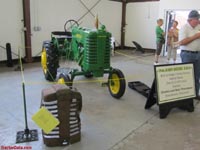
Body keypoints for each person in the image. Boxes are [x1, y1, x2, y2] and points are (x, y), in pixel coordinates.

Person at [179, 10, 200, 99]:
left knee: (196, 76)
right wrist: (196, 36)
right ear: (190, 20)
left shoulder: (198, 26)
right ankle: (186, 95)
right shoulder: (184, 28)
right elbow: (182, 42)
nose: (198, 21)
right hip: (187, 55)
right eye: (197, 19)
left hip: (198, 55)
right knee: (187, 76)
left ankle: (195, 94)